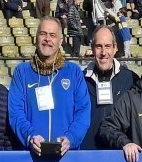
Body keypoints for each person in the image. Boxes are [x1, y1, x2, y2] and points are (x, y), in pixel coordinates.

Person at [8, 17, 90, 155]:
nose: (47, 39)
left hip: (67, 155)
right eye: (43, 34)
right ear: (36, 38)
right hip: (31, 156)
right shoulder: (22, 72)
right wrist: (30, 136)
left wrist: (71, 138)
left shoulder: (73, 72)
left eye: (53, 35)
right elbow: (16, 113)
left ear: (60, 41)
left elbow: (83, 112)